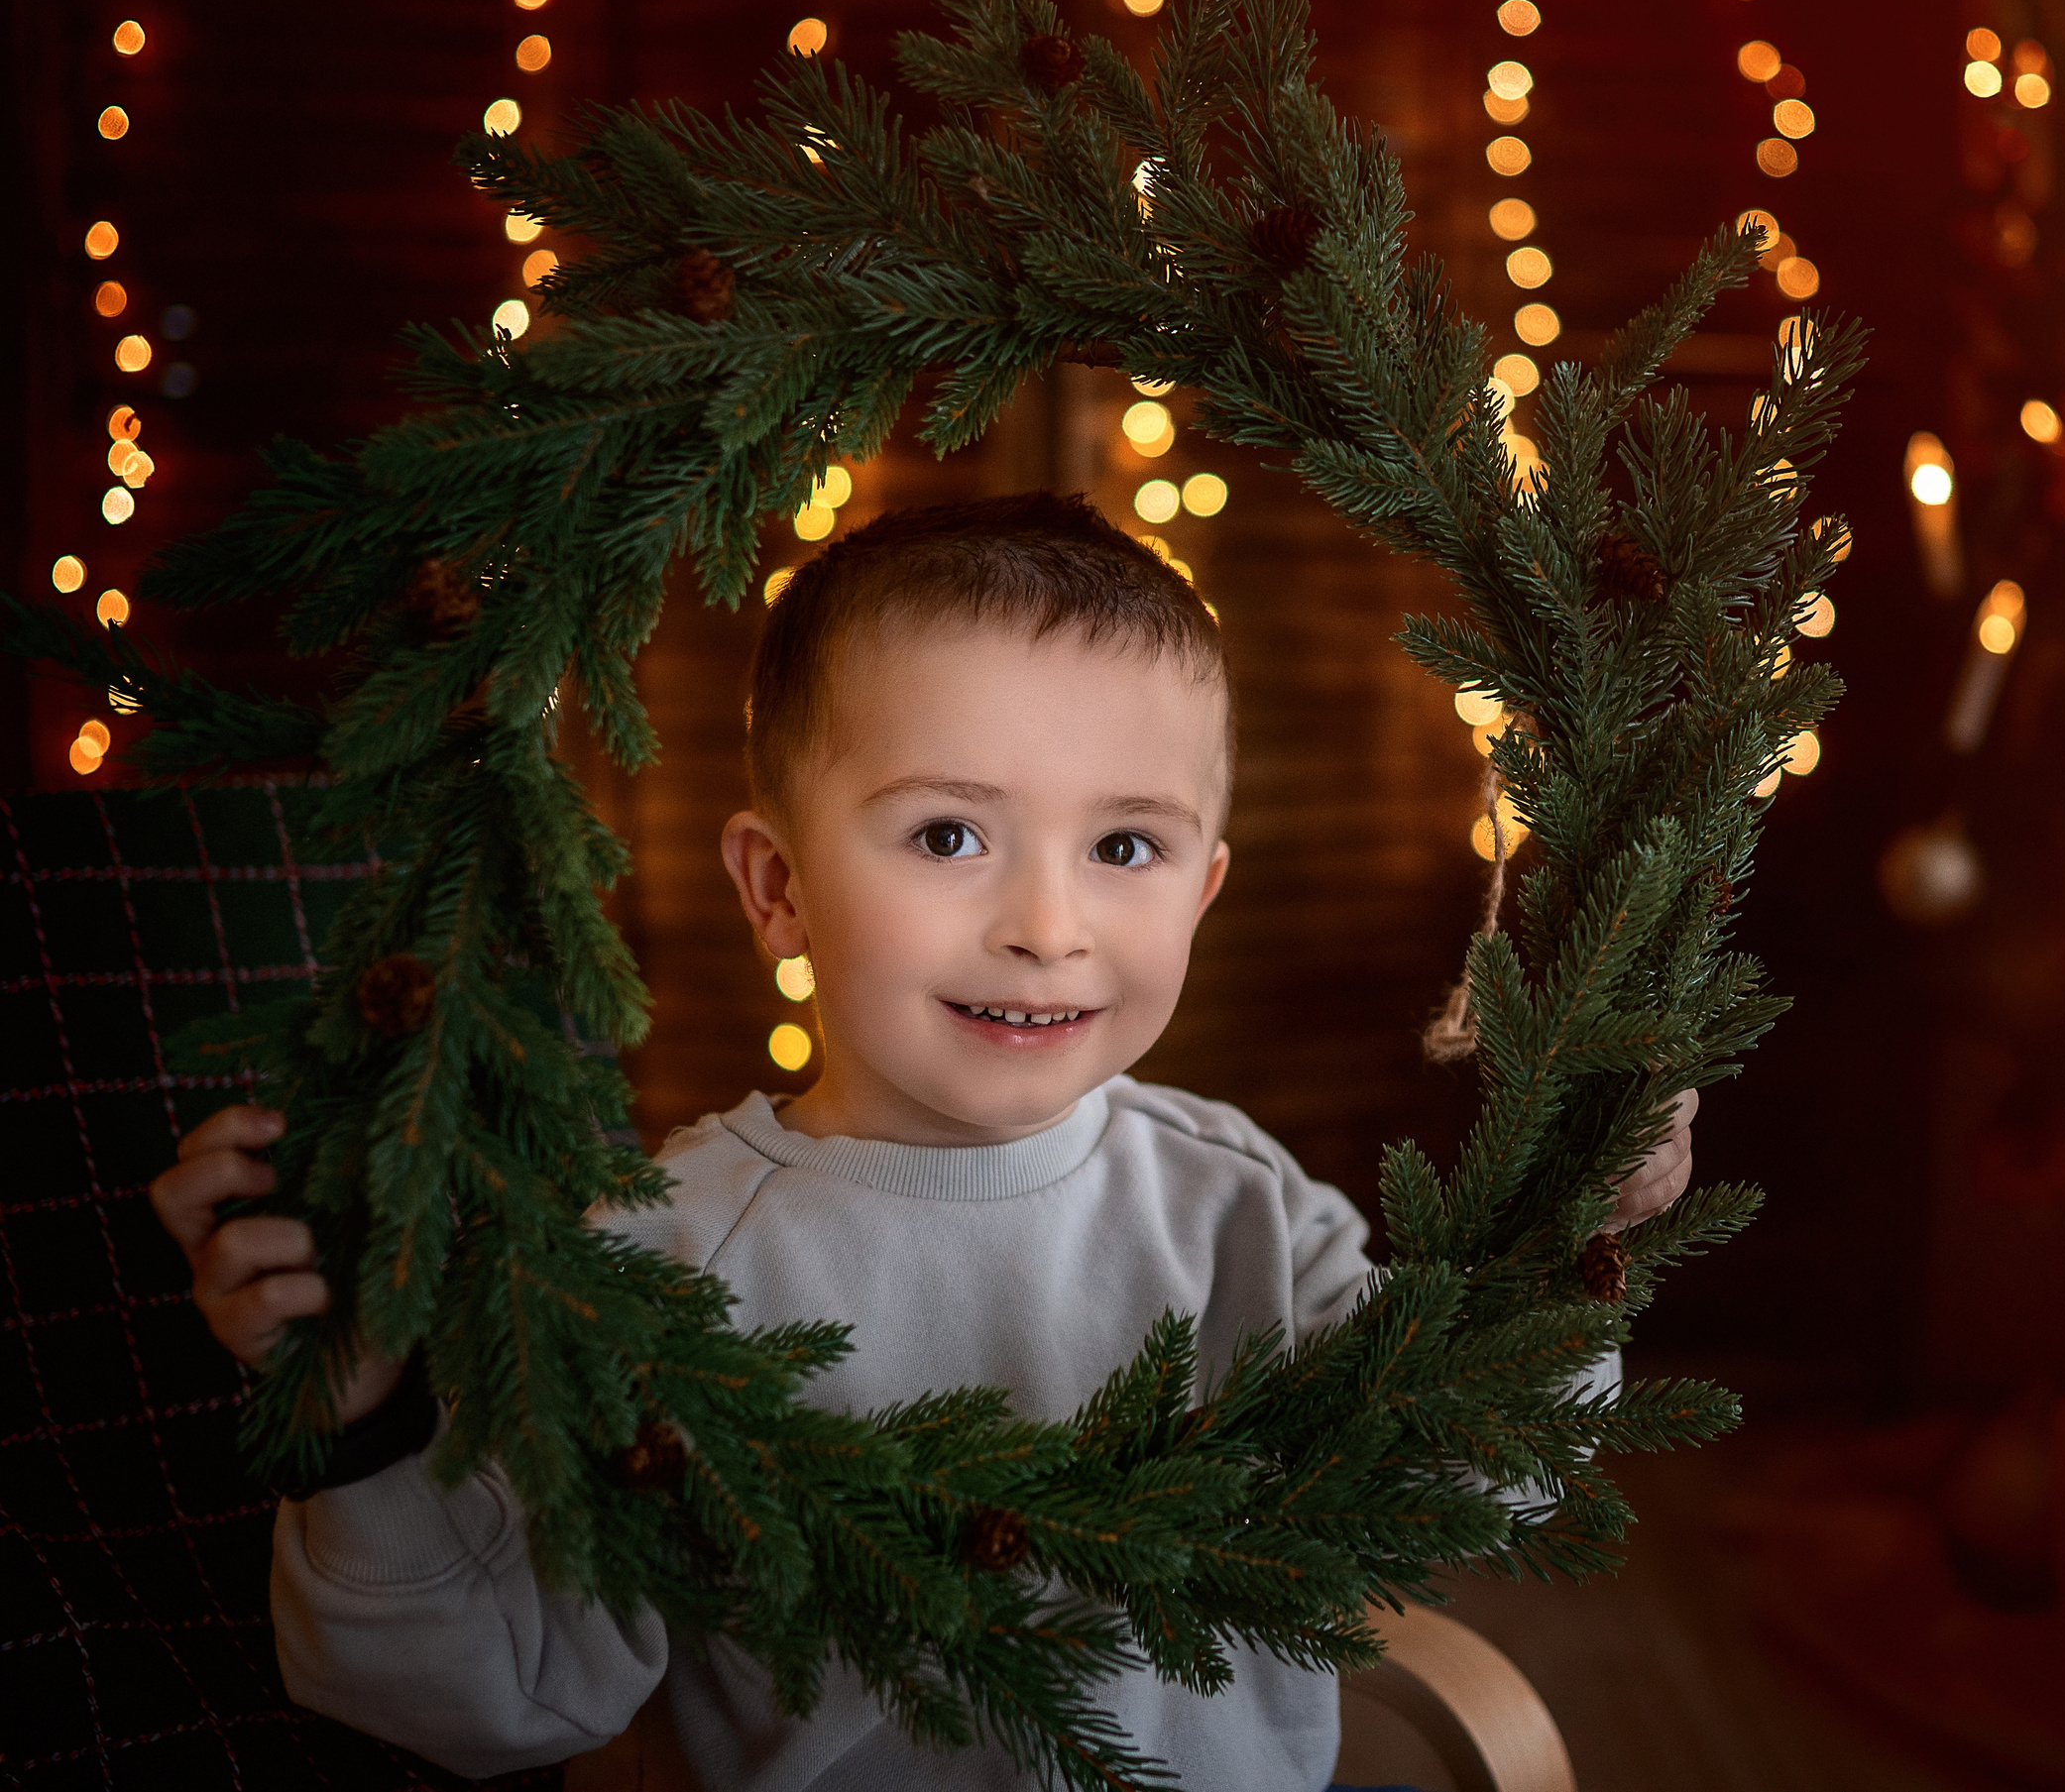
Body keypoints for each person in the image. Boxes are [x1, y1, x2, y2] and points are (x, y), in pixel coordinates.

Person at [149, 492, 1698, 1791]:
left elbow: (1462, 1475)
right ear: (777, 889)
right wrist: (361, 1424)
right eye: (949, 833)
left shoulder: (1238, 1203)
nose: (1046, 924)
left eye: (1125, 844)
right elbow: (491, 1692)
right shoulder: (656, 1254)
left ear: (1205, 890)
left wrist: (1566, 1245)